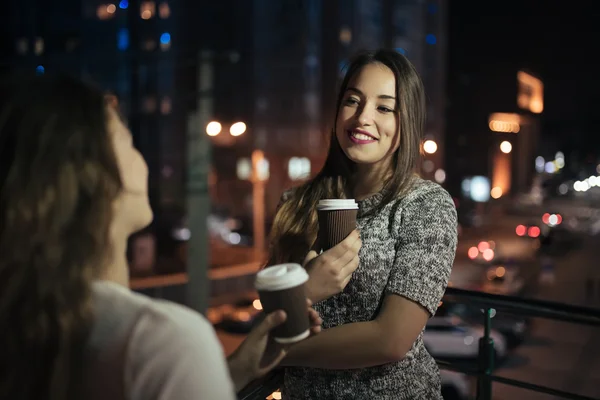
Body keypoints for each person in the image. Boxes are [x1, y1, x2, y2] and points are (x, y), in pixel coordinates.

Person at [0, 74, 321, 400]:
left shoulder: (26, 326)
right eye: (127, 141)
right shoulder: (160, 342)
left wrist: (233, 372)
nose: (142, 159)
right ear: (95, 177)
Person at [268, 49, 458, 399]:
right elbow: (272, 309)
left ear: (407, 123)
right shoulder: (295, 204)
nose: (362, 118)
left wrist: (276, 352)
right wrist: (306, 290)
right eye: (352, 101)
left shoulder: (425, 205)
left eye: (384, 108)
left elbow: (391, 340)